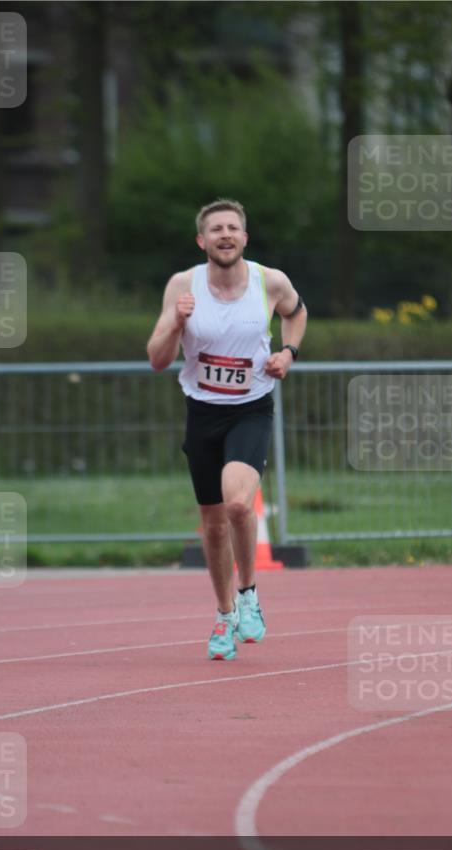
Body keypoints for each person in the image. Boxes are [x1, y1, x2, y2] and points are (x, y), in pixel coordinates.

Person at [147, 199, 307, 661]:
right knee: (213, 527)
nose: (225, 235)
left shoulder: (269, 281)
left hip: (251, 408)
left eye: (232, 228)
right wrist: (177, 321)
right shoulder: (183, 285)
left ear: (244, 238)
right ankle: (223, 613)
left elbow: (297, 314)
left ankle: (249, 593)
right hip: (202, 412)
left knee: (238, 503)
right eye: (215, 229)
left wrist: (288, 353)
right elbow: (157, 360)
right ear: (202, 241)